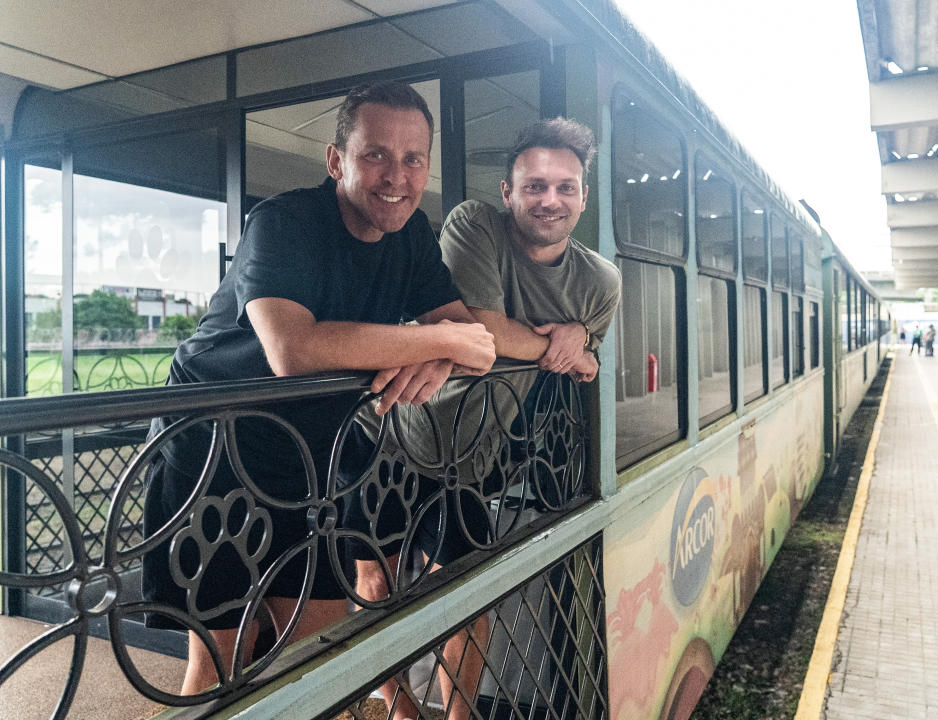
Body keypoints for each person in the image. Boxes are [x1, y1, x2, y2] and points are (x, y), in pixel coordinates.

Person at [142, 81, 496, 696]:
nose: (397, 176)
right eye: (376, 154)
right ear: (335, 160)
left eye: (414, 159)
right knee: (220, 665)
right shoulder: (283, 222)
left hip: (306, 456)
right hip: (211, 449)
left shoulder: (411, 236)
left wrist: (443, 348)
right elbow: (293, 350)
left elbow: (468, 335)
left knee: (320, 661)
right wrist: (438, 342)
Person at [356, 117, 621, 720]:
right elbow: (474, 326)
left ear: (583, 194)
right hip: (389, 430)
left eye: (565, 186)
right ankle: (398, 707)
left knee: (469, 597)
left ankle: (458, 715)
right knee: (377, 584)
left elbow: (590, 366)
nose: (549, 200)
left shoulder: (601, 281)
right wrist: (565, 346)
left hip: (470, 457)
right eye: (534, 185)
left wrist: (581, 345)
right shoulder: (473, 223)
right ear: (508, 192)